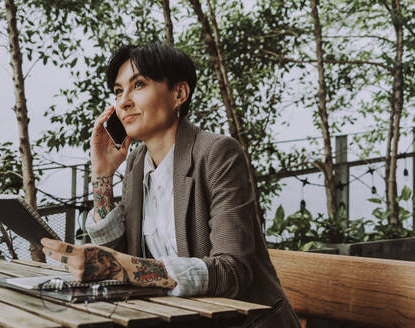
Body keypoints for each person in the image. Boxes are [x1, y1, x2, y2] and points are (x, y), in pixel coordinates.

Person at [41, 43, 300, 327]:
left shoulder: (217, 153)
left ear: (179, 94)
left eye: (138, 84)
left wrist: (121, 268)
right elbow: (121, 251)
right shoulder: (137, 164)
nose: (123, 102)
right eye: (118, 91)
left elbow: (232, 271)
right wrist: (102, 174)